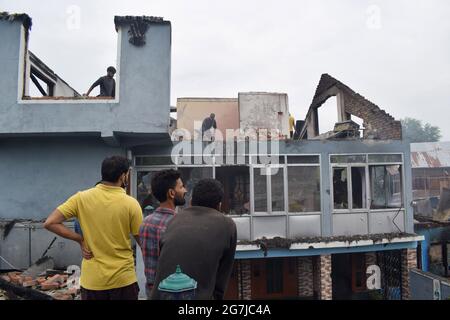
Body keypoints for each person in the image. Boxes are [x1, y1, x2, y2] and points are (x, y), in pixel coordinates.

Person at [44, 156, 143, 300]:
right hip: (123, 280)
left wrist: (80, 239)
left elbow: (50, 223)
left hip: (93, 283)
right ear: (123, 176)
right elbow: (142, 242)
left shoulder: (81, 198)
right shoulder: (131, 204)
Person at [150, 179, 237, 300]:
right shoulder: (227, 225)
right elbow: (222, 279)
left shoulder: (174, 220)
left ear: (191, 202)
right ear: (219, 205)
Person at [139, 169, 187, 298]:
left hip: (152, 291)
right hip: (174, 292)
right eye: (181, 187)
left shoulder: (145, 223)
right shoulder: (179, 224)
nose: (185, 190)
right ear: (171, 193)